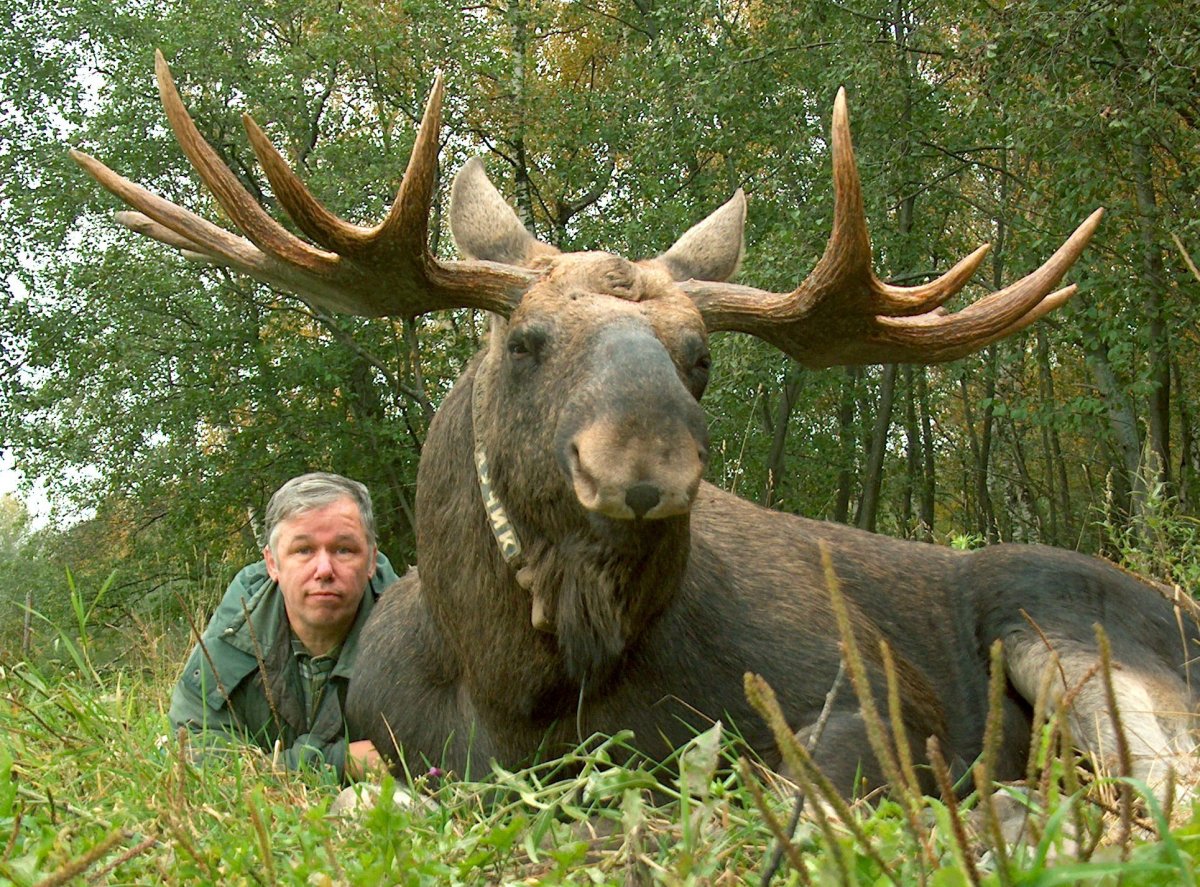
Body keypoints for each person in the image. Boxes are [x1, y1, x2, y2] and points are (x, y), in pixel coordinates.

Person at [168, 472, 400, 781]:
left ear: (371, 561)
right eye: (303, 550)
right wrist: (340, 762)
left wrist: (275, 769)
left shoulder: (415, 638)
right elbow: (199, 757)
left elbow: (444, 751)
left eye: (344, 550)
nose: (324, 570)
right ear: (272, 563)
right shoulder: (234, 635)